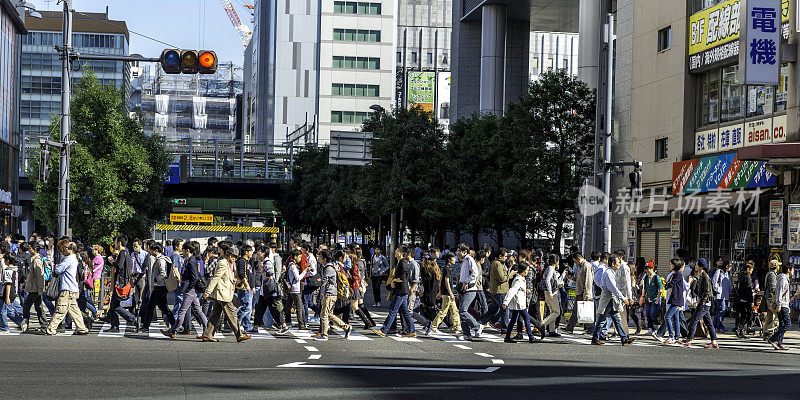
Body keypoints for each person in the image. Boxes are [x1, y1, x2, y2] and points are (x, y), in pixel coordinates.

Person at [199, 242, 251, 342]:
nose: (235, 259)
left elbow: (226, 277)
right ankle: (239, 334)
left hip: (224, 292)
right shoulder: (223, 263)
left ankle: (207, 334)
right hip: (223, 293)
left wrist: (234, 280)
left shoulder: (228, 263)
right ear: (230, 255)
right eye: (234, 257)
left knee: (215, 314)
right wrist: (208, 291)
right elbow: (216, 278)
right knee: (232, 314)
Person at [162, 241, 208, 338]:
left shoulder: (191, 261)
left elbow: (194, 277)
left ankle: (173, 331)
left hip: (190, 290)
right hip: (192, 290)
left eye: (183, 249)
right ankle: (206, 331)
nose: (181, 250)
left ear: (187, 250)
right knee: (198, 311)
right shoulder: (190, 260)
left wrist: (189, 288)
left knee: (182, 311)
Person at [43, 241, 89, 336]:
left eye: (67, 247)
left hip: (67, 288)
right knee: (74, 310)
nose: (65, 249)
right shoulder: (74, 258)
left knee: (61, 309)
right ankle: (82, 328)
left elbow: (58, 269)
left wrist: (53, 265)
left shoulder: (69, 258)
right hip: (73, 288)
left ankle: (51, 329)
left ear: (71, 250)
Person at [591, 255, 635, 346]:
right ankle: (595, 338)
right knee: (601, 319)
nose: (619, 264)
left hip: (611, 300)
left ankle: (624, 338)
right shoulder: (608, 273)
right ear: (613, 264)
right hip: (607, 299)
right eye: (618, 262)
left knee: (616, 319)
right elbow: (613, 288)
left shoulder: (612, 272)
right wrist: (623, 298)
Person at [372, 246, 415, 338]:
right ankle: (412, 331)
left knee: (393, 310)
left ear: (401, 253)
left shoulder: (403, 263)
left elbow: (403, 278)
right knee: (405, 312)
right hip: (401, 290)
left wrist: (393, 281)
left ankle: (384, 330)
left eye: (397, 250)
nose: (395, 252)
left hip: (401, 291)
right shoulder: (400, 262)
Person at [503, 262, 545, 343]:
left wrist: (525, 290)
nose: (527, 272)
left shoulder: (521, 279)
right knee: (526, 318)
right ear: (522, 271)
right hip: (520, 304)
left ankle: (507, 337)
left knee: (513, 320)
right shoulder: (518, 280)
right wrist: (506, 302)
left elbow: (518, 289)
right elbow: (512, 290)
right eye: (527, 270)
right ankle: (531, 337)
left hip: (518, 303)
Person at [315, 250, 352, 341]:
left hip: (329, 294)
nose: (318, 258)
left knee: (323, 314)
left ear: (324, 258)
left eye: (320, 256)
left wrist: (322, 292)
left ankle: (324, 335)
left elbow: (325, 281)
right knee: (329, 314)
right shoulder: (330, 267)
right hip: (331, 294)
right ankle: (346, 327)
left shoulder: (329, 268)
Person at [104, 235, 138, 333]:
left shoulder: (123, 253)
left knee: (115, 305)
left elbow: (119, 267)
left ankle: (132, 319)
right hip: (123, 282)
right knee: (114, 304)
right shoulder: (127, 252)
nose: (114, 244)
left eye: (115, 242)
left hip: (120, 283)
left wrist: (112, 262)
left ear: (119, 243)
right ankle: (114, 326)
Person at [140, 242, 176, 331]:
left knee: (151, 306)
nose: (150, 251)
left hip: (159, 286)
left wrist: (156, 280)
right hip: (162, 287)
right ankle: (174, 324)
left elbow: (163, 273)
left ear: (156, 250)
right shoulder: (160, 259)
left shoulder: (161, 260)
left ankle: (145, 326)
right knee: (163, 307)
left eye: (151, 250)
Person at [683, 259, 718, 348]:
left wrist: (700, 303)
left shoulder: (705, 277)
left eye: (696, 264)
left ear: (700, 266)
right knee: (708, 322)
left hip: (704, 302)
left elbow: (707, 291)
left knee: (694, 320)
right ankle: (714, 341)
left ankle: (689, 339)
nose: (695, 266)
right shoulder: (701, 276)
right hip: (705, 302)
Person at [429, 252, 460, 335]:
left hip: (447, 293)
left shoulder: (448, 267)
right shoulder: (447, 268)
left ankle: (457, 326)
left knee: (454, 311)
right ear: (449, 259)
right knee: (443, 312)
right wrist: (450, 293)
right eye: (453, 258)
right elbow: (446, 281)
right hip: (447, 294)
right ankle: (434, 326)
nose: (455, 259)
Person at [455, 244, 481, 341]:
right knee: (462, 312)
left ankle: (477, 326)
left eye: (459, 251)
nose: (457, 253)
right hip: (463, 289)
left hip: (470, 289)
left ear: (464, 251)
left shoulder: (469, 259)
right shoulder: (464, 261)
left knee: (463, 311)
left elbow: (475, 273)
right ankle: (466, 333)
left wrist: (466, 281)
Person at [482, 248, 510, 332]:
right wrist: (510, 275)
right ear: (500, 256)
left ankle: (479, 323)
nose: (506, 258)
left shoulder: (500, 263)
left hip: (497, 290)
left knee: (493, 310)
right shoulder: (497, 264)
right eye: (504, 256)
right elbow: (502, 278)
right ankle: (505, 328)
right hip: (500, 291)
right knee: (504, 309)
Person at [21, 241, 46, 332]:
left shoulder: (37, 260)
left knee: (27, 306)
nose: (29, 249)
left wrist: (40, 289)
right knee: (38, 307)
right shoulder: (34, 259)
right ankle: (44, 325)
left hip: (35, 288)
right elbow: (31, 275)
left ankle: (26, 324)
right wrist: (25, 284)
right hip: (34, 287)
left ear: (34, 249)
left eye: (30, 248)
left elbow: (40, 276)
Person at [565, 252, 593, 333]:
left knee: (585, 310)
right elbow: (580, 278)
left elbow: (588, 280)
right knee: (576, 310)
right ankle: (570, 327)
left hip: (583, 292)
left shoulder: (586, 266)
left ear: (579, 259)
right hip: (580, 291)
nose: (575, 263)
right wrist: (573, 278)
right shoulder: (581, 266)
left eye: (575, 261)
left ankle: (591, 327)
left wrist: (587, 292)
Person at [663, 259, 689, 344]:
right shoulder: (675, 274)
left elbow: (671, 284)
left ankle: (671, 336)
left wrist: (664, 285)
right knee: (676, 319)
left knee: (667, 317)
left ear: (675, 266)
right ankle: (677, 337)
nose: (670, 266)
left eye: (671, 264)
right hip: (676, 299)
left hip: (676, 300)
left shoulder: (677, 275)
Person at [768, 264, 794, 350]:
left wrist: (787, 305)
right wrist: (779, 305)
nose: (793, 271)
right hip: (782, 305)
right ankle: (773, 339)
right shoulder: (783, 279)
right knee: (787, 323)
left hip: (784, 304)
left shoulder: (784, 279)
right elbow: (779, 292)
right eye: (792, 269)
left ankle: (779, 343)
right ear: (788, 270)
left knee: (782, 324)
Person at [1, 253, 24, 334]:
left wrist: (7, 297)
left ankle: (4, 328)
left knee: (3, 311)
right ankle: (21, 322)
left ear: (7, 260)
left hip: (8, 293)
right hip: (13, 292)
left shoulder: (8, 270)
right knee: (8, 310)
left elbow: (8, 284)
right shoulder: (15, 269)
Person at [235, 244, 255, 332]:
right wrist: (247, 285)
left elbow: (250, 275)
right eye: (250, 251)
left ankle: (247, 325)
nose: (252, 253)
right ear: (246, 252)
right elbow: (242, 274)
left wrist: (252, 286)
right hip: (244, 287)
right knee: (246, 307)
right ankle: (235, 321)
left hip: (249, 287)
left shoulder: (247, 261)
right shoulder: (241, 261)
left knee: (248, 308)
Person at [284, 249, 306, 330]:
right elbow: (298, 278)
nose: (300, 259)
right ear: (295, 257)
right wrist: (305, 271)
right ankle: (301, 324)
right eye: (299, 257)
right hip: (295, 290)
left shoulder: (291, 265)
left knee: (287, 306)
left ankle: (280, 320)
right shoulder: (293, 266)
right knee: (299, 307)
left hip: (292, 289)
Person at [541, 254, 562, 337]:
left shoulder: (549, 268)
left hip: (548, 292)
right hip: (551, 293)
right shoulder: (551, 268)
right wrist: (550, 292)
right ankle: (542, 324)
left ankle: (552, 330)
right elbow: (547, 280)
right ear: (556, 261)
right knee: (557, 312)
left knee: (552, 311)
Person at [642, 261, 662, 338]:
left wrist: (658, 299)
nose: (646, 270)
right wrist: (643, 297)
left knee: (653, 314)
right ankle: (650, 329)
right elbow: (645, 288)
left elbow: (660, 289)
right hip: (648, 298)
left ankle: (657, 326)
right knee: (648, 314)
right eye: (646, 269)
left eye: (648, 269)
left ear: (652, 269)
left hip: (655, 299)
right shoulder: (646, 277)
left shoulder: (657, 277)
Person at [735, 262, 755, 339]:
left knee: (743, 315)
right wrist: (751, 301)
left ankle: (740, 330)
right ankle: (739, 328)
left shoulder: (740, 276)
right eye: (751, 269)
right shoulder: (747, 277)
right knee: (747, 316)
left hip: (739, 299)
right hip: (745, 300)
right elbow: (749, 290)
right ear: (748, 269)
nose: (752, 271)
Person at [762, 259, 780, 339]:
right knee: (778, 316)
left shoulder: (769, 273)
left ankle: (765, 334)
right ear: (776, 266)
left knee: (769, 317)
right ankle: (768, 331)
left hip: (768, 298)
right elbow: (773, 287)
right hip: (771, 299)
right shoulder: (772, 275)